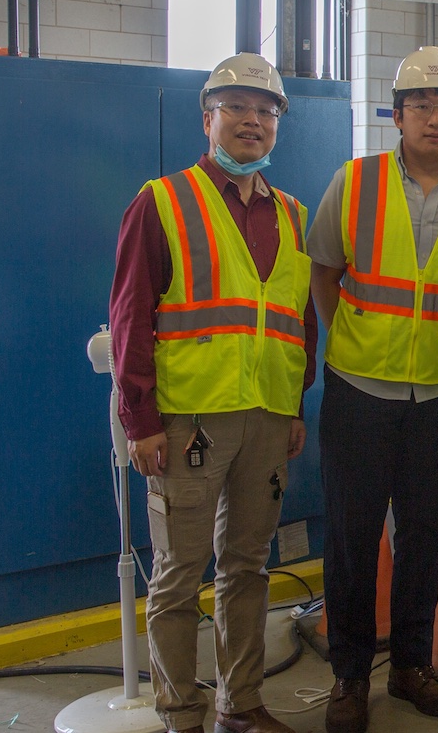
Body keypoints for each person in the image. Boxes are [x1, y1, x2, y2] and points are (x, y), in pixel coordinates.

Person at [109, 52, 315, 733]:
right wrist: (141, 421)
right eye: (239, 108)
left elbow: (296, 321)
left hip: (266, 418)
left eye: (266, 111)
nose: (253, 122)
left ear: (277, 125)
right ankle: (181, 714)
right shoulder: (161, 202)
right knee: (177, 576)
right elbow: (132, 317)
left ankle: (241, 703)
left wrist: (292, 404)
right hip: (186, 421)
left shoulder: (290, 213)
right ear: (210, 118)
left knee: (249, 567)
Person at [309, 46, 438, 732]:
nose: (436, 117)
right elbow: (324, 271)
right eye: (421, 104)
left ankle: (411, 665)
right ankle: (350, 676)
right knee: (355, 538)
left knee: (425, 535)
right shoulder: (353, 183)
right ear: (396, 116)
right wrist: (352, 345)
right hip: (358, 391)